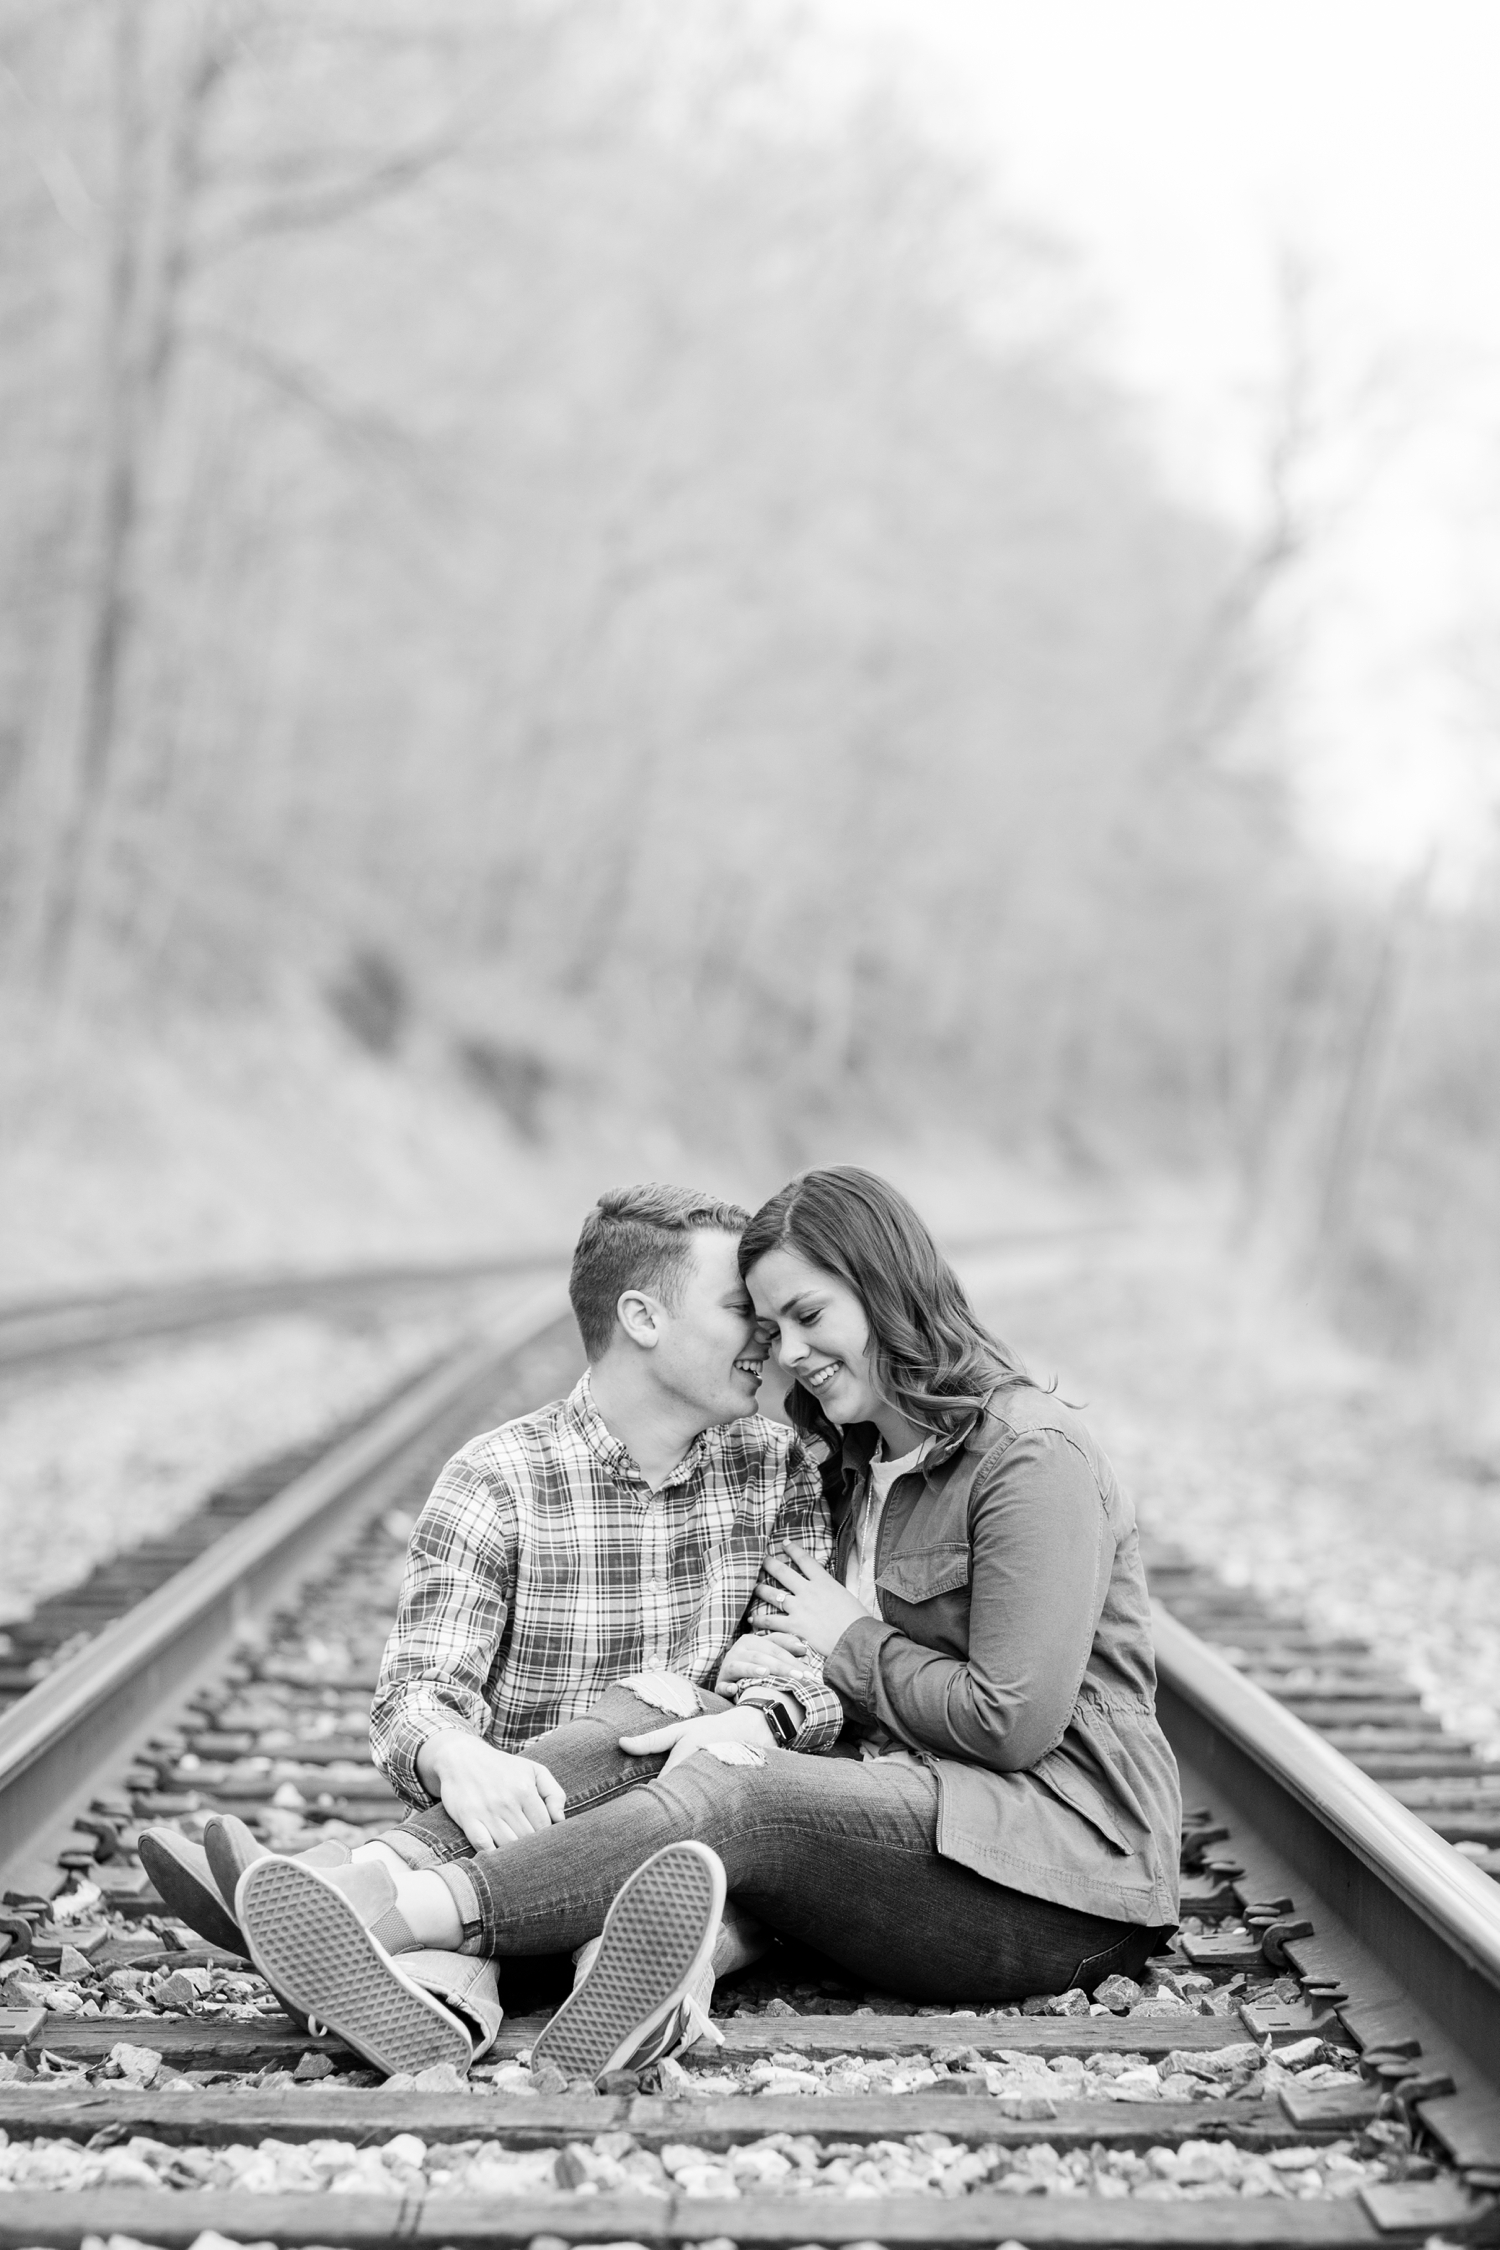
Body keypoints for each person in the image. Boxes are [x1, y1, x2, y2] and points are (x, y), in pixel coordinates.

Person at [228, 1165, 1183, 2083]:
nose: (787, 1352)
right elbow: (784, 1666)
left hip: (1058, 1868)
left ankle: (401, 1912)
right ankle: (360, 1881)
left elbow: (1010, 1721)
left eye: (808, 1318)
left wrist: (841, 1648)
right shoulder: (848, 1460)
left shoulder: (1029, 1455)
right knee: (669, 1720)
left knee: (740, 1788)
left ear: (888, 1289)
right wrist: (748, 1709)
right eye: (767, 1323)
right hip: (906, 1816)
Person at [140, 1182, 838, 2060]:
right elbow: (418, 1695)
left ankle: (376, 1891)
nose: (767, 1336)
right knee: (485, 1922)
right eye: (740, 1310)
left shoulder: (775, 1470)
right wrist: (457, 1754)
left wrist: (754, 1717)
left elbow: (798, 1674)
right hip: (504, 1839)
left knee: (681, 1877)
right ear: (643, 1318)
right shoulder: (498, 1477)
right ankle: (428, 2012)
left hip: (681, 1830)